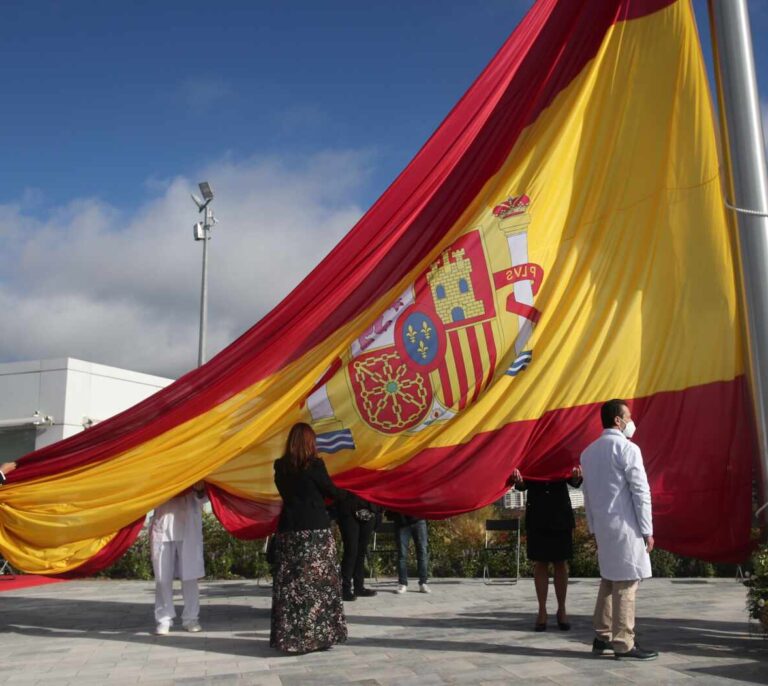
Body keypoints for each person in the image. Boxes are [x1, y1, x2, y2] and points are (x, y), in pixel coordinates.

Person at [580, 399, 658, 661]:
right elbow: (640, 491)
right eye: (628, 416)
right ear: (618, 420)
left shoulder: (588, 453)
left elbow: (587, 494)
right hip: (626, 526)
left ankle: (601, 636)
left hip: (603, 526)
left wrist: (593, 526)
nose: (630, 421)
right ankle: (624, 642)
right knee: (625, 583)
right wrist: (647, 529)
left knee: (610, 580)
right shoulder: (627, 449)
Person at [271, 423, 349, 653]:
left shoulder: (280, 466)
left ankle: (291, 638)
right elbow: (330, 491)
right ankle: (319, 636)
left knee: (292, 585)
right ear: (309, 442)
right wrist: (351, 495)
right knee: (319, 586)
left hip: (289, 531)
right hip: (314, 531)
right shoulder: (315, 465)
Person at [509, 465, 582, 631]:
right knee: (540, 562)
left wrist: (577, 475)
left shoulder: (562, 448)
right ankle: (542, 610)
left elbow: (575, 480)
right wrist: (518, 479)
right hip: (537, 512)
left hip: (560, 512)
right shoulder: (532, 448)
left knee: (560, 562)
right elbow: (522, 484)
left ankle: (562, 609)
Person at [150, 481, 207, 635]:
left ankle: (191, 619)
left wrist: (199, 490)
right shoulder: (160, 469)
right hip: (163, 525)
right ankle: (164, 619)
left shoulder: (194, 467)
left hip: (188, 527)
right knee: (162, 578)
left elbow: (204, 498)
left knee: (190, 577)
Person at [337, 494, 380, 601]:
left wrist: (379, 510)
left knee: (361, 551)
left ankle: (359, 587)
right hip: (349, 509)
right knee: (351, 550)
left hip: (369, 509)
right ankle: (345, 589)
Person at [386, 510, 430, 594]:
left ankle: (423, 583)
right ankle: (402, 583)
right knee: (402, 554)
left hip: (419, 519)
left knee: (422, 552)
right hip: (401, 520)